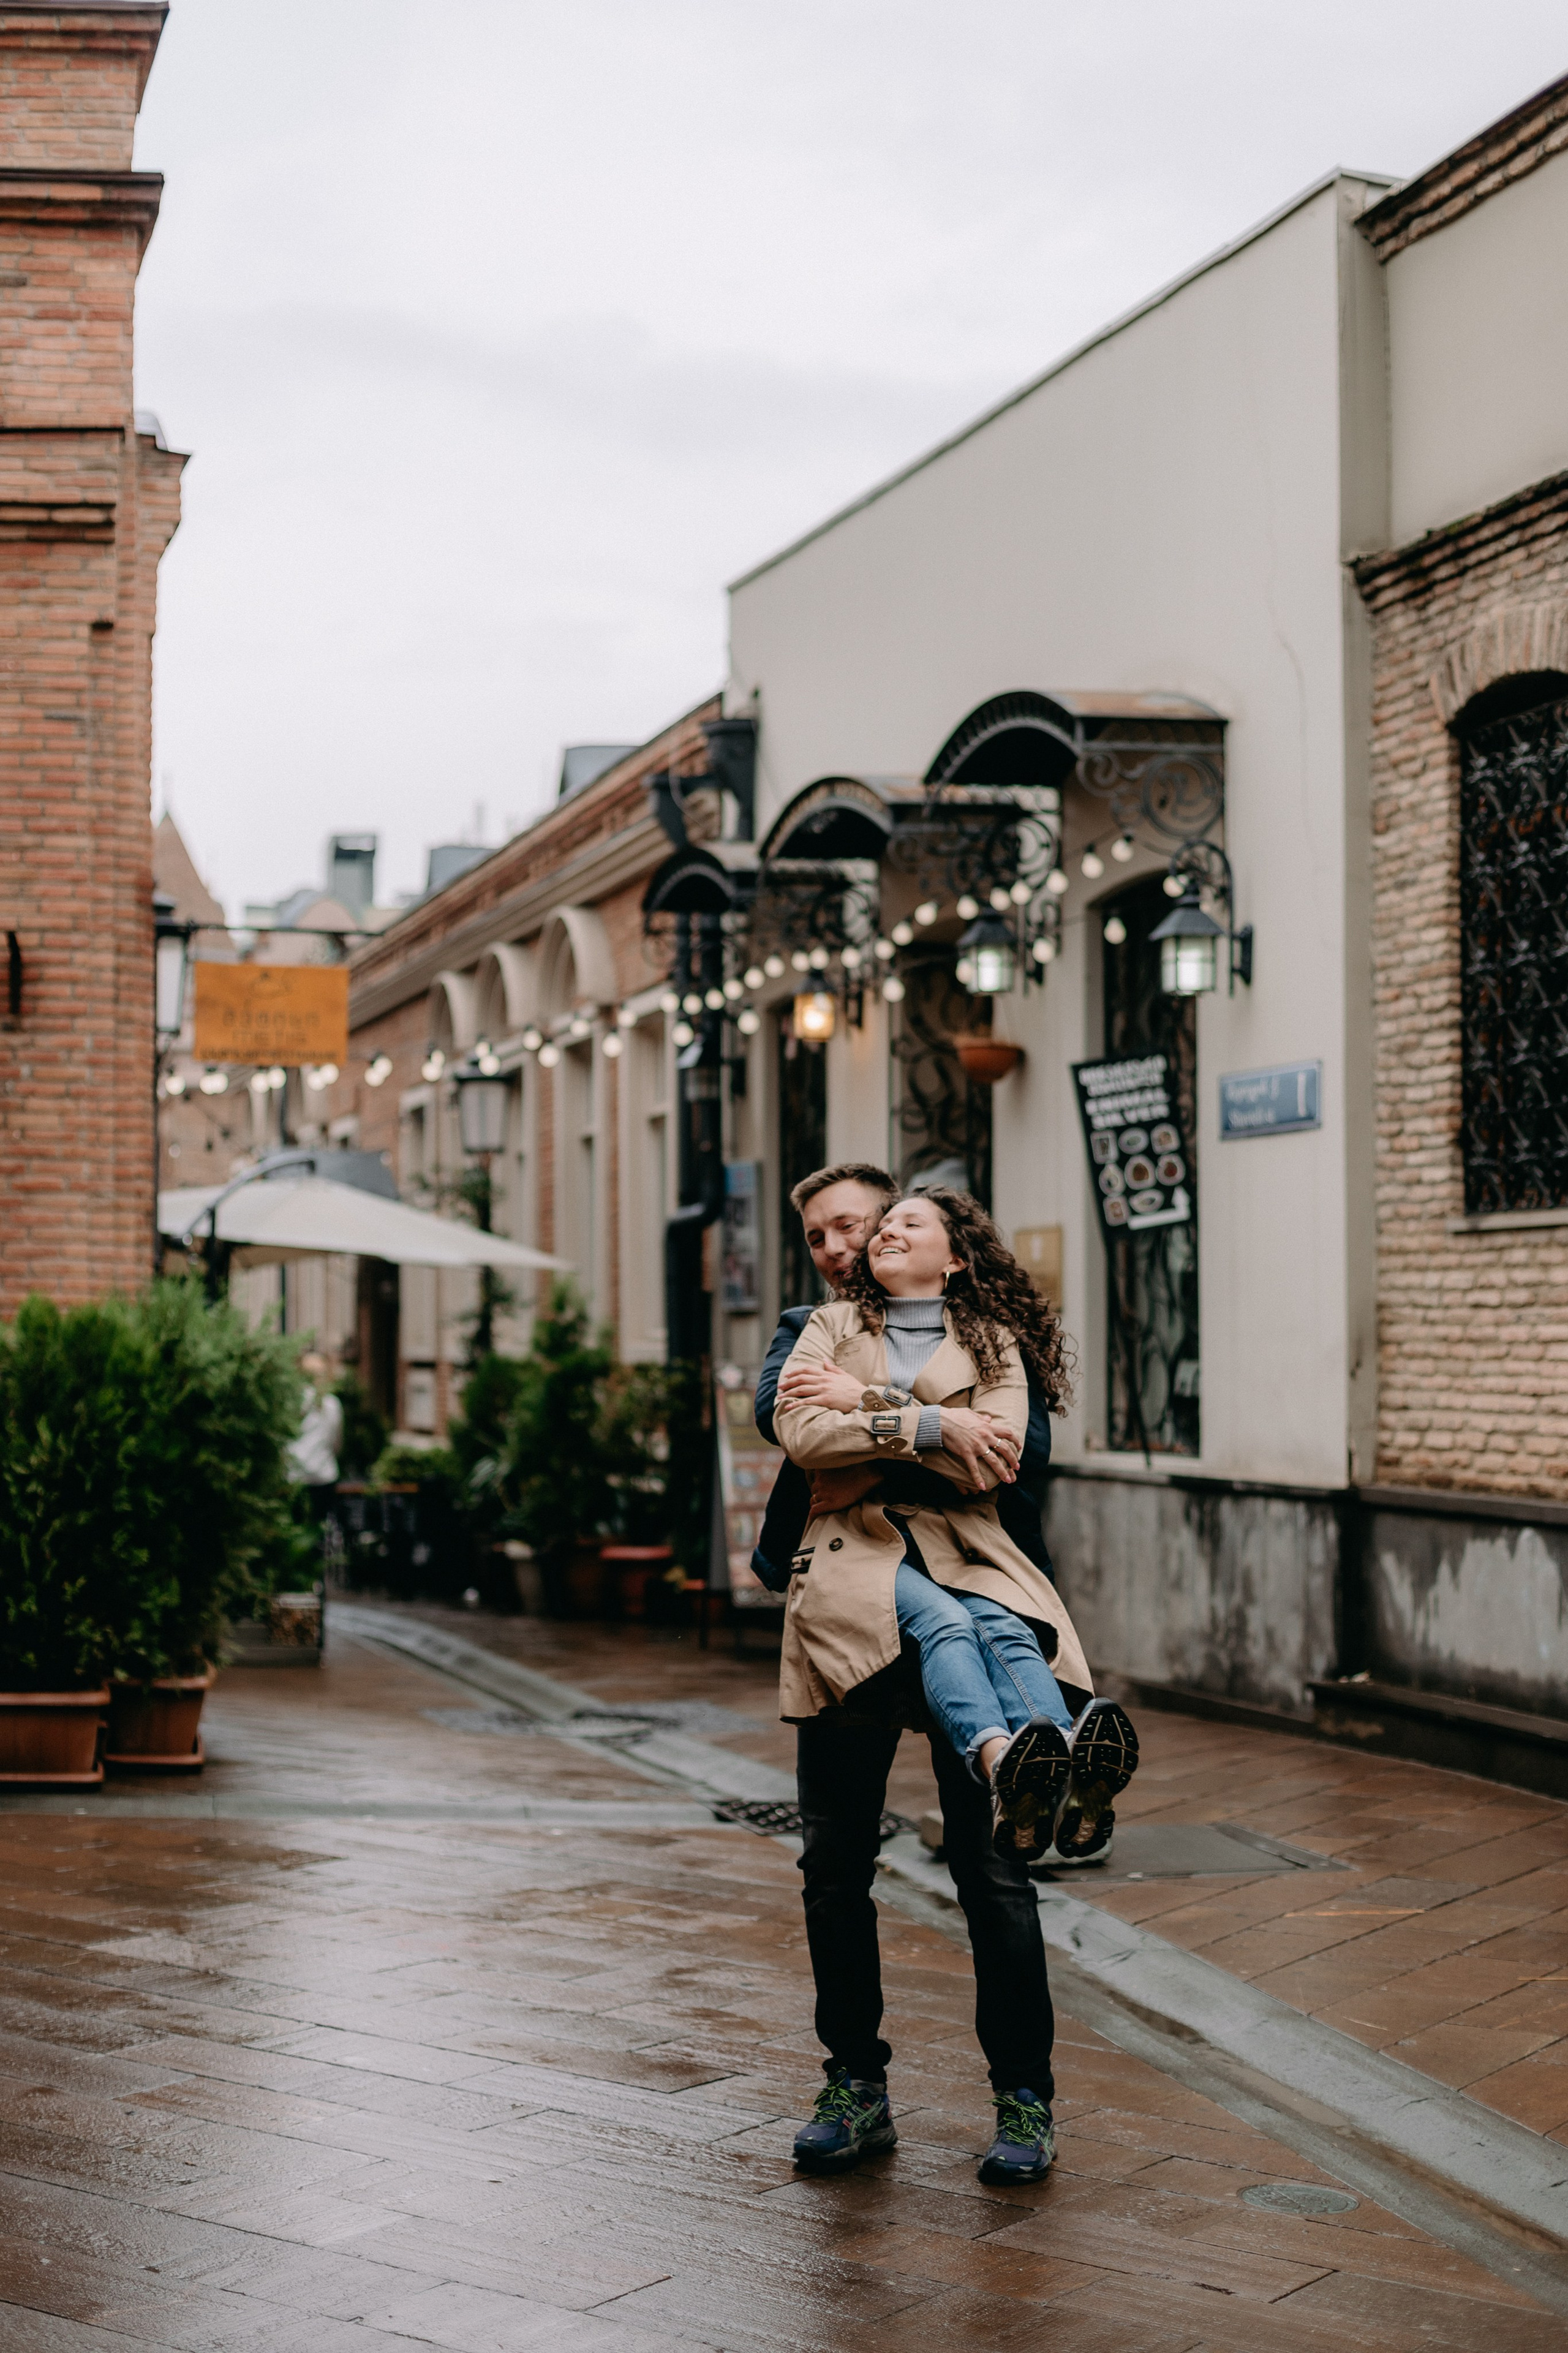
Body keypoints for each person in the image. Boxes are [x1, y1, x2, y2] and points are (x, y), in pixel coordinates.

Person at [755, 1171, 1137, 2188]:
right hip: (851, 1606)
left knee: (995, 1870)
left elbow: (1017, 1450)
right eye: (821, 1232)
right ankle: (855, 2087)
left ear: (905, 1231)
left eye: (859, 1224)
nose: (839, 1244)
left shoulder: (987, 1331)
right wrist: (933, 1426)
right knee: (835, 1866)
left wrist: (880, 1421)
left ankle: (1025, 2097)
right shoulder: (815, 1324)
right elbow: (791, 1429)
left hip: (979, 1584)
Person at [287, 1352, 343, 1524]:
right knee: (320, 1530)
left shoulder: (291, 1402)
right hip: (324, 1476)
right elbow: (337, 1444)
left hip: (295, 1476)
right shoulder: (332, 1404)